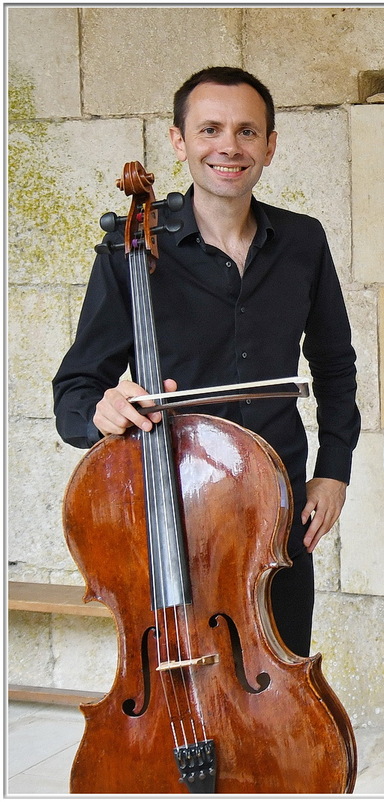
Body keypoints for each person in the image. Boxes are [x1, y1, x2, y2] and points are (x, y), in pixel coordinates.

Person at [52, 66, 360, 659]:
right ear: (179, 141)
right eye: (210, 129)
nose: (229, 146)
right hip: (174, 513)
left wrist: (335, 469)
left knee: (280, 685)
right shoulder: (130, 255)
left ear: (269, 146)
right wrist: (104, 409)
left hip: (276, 513)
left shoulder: (304, 242)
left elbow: (336, 365)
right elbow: (74, 390)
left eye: (247, 132)